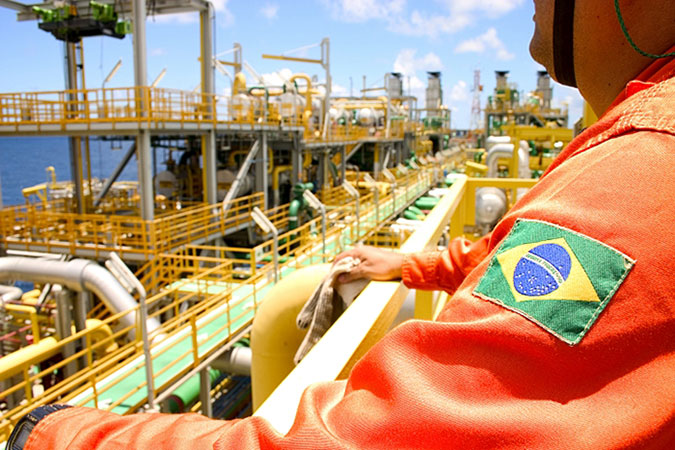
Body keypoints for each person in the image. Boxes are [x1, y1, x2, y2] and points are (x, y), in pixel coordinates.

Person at [9, 0, 674, 448]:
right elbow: (524, 267)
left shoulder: (643, 162)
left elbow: (383, 435)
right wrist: (415, 264)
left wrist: (52, 431)